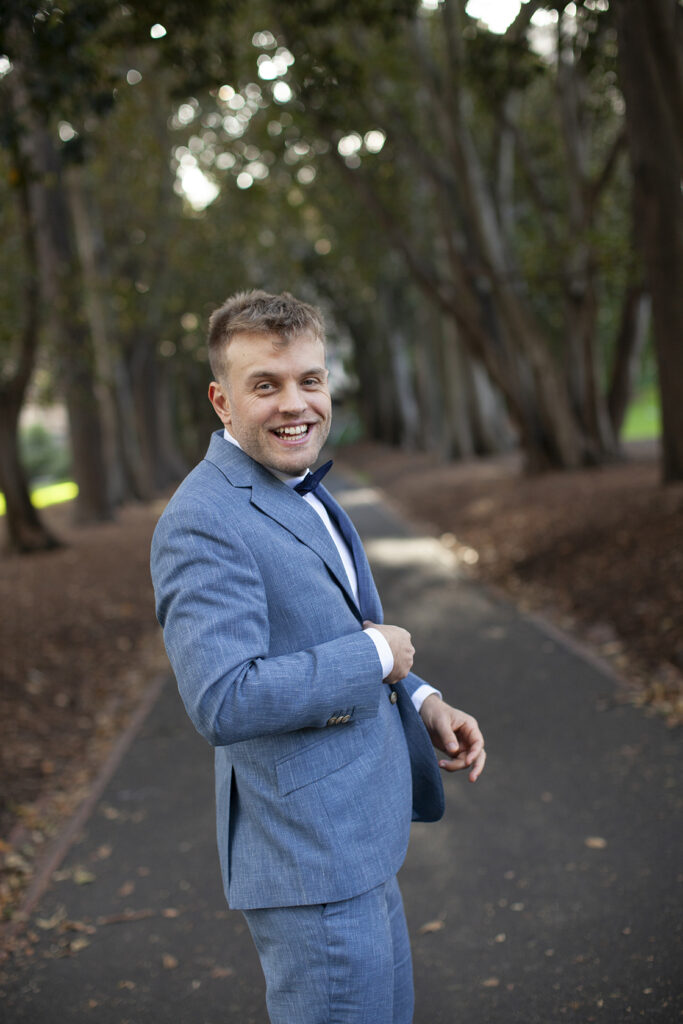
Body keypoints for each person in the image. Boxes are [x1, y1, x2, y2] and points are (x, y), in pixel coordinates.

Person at [151, 289, 486, 1024]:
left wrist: (422, 697)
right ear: (221, 400)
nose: (293, 403)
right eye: (263, 385)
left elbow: (334, 630)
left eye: (308, 380)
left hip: (360, 843)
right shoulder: (202, 521)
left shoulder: (298, 487)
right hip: (309, 867)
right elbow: (223, 697)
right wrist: (373, 654)